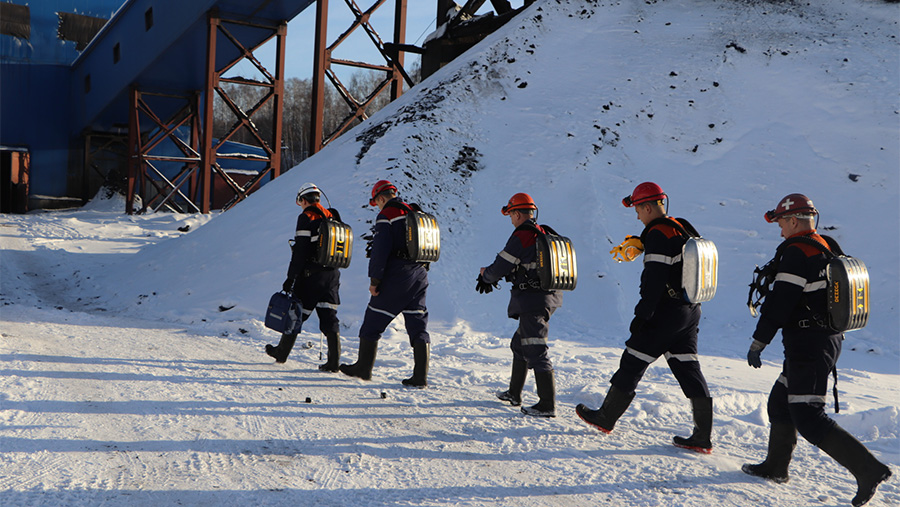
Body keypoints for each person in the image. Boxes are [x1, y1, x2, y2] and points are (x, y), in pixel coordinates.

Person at [742, 193, 891, 506]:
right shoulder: (824, 246)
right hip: (822, 341)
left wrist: (759, 342)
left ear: (793, 220)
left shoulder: (797, 252)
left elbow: (780, 302)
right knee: (780, 403)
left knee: (808, 415)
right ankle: (776, 467)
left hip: (809, 346)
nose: (780, 230)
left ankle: (869, 470)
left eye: (781, 223)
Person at [576, 182, 714, 453]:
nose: (638, 216)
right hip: (690, 311)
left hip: (666, 312)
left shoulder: (658, 233)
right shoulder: (681, 226)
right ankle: (702, 436)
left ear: (648, 207)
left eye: (638, 210)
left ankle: (605, 417)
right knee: (688, 369)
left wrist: (642, 315)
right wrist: (643, 242)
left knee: (632, 361)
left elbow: (654, 280)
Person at [478, 193, 563, 417]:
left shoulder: (524, 235)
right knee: (519, 345)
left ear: (517, 213)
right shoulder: (544, 232)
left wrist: (486, 275)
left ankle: (547, 404)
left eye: (510, 215)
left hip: (533, 300)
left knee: (535, 348)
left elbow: (501, 265)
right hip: (548, 297)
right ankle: (514, 393)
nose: (511, 220)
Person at [340, 180, 431, 387]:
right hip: (420, 274)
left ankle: (363, 368)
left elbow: (380, 251)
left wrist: (375, 280)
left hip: (397, 276)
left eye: (377, 203)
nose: (378, 207)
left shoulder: (387, 215)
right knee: (418, 325)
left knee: (372, 322)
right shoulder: (414, 212)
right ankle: (420, 376)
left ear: (381, 198)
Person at [265, 183, 343, 371]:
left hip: (311, 277)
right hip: (332, 275)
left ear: (303, 200)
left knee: (296, 313)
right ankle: (334, 362)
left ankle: (281, 352)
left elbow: (300, 251)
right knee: (329, 317)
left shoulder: (306, 217)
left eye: (299, 202)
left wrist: (290, 277)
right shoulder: (332, 216)